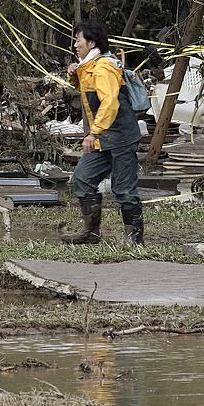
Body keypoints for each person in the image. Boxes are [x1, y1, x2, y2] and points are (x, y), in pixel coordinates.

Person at [62, 21, 144, 246]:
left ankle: (134, 241)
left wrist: (93, 133)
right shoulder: (89, 66)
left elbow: (109, 103)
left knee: (123, 189)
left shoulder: (103, 67)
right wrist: (73, 73)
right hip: (103, 138)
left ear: (91, 42)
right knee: (82, 177)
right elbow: (87, 90)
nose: (75, 44)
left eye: (78, 39)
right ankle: (91, 233)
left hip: (120, 136)